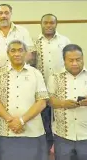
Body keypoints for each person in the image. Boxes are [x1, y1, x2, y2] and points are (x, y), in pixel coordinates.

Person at [0, 4, 35, 158]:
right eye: (0, 13)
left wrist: (17, 66)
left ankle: (22, 148)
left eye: (6, 13)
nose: (3, 16)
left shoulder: (22, 31)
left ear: (11, 14)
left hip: (21, 77)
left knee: (20, 109)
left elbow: (31, 53)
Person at [0, 40, 49, 160]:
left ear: (26, 53)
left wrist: (21, 121)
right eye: (13, 50)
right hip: (6, 130)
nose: (17, 54)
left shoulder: (35, 73)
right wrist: (11, 121)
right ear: (8, 53)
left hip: (32, 130)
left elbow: (42, 102)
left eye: (20, 50)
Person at [47, 44, 87, 160]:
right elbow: (49, 101)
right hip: (63, 135)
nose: (75, 63)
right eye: (71, 60)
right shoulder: (54, 78)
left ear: (83, 59)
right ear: (64, 61)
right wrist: (63, 104)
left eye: (78, 60)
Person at [34, 13, 71, 151]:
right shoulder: (34, 42)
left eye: (52, 23)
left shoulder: (65, 41)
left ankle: (63, 146)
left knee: (61, 117)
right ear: (41, 24)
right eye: (46, 23)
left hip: (61, 87)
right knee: (44, 119)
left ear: (56, 24)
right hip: (41, 87)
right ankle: (46, 146)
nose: (49, 25)